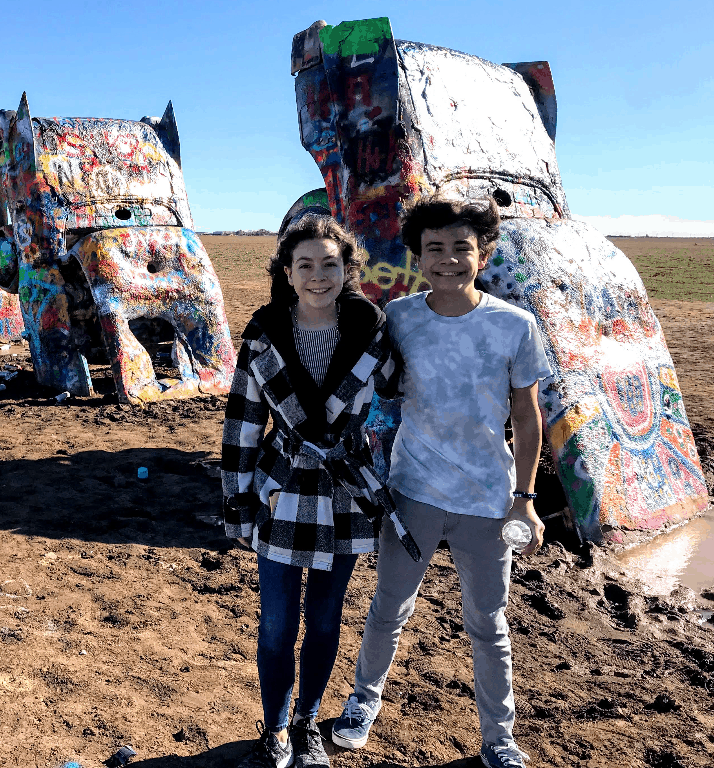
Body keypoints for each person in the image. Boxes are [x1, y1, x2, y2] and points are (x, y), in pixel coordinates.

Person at [330, 197, 553, 768]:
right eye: (435, 249)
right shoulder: (400, 318)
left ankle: (499, 738)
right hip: (412, 493)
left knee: (488, 623)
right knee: (388, 608)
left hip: (487, 500)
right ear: (417, 256)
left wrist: (524, 502)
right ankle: (362, 701)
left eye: (462, 249)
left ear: (484, 255)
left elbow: (527, 418)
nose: (448, 260)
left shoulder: (514, 326)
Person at [221, 213, 420, 768]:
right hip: (281, 492)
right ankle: (275, 728)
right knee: (278, 623)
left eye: (329, 264)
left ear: (347, 269)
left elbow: (400, 391)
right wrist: (237, 502)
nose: (317, 276)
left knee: (327, 620)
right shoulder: (263, 334)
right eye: (304, 264)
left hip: (344, 494)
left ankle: (308, 723)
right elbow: (242, 424)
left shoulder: (371, 329)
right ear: (286, 272)